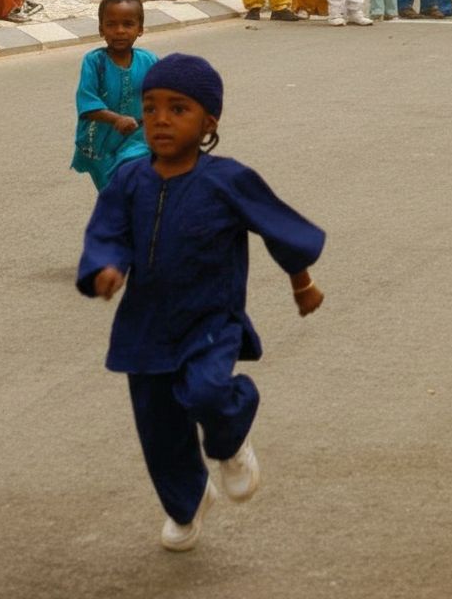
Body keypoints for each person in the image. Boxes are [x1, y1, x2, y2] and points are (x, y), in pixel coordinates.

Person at [76, 52, 325, 552]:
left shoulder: (227, 180)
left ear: (208, 121)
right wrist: (105, 267)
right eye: (150, 108)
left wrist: (301, 283)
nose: (161, 119)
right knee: (158, 427)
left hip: (210, 318)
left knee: (207, 392)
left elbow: (279, 227)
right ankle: (186, 505)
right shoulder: (129, 180)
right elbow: (108, 231)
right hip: (143, 325)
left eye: (178, 108)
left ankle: (231, 441)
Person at [71, 0, 159, 190]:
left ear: (140, 29)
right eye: (111, 25)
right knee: (114, 196)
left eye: (128, 24)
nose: (119, 30)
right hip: (101, 144)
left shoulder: (150, 61)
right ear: (101, 29)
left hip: (139, 140)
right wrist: (116, 119)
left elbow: (166, 95)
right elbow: (87, 103)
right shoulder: (94, 62)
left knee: (137, 185)